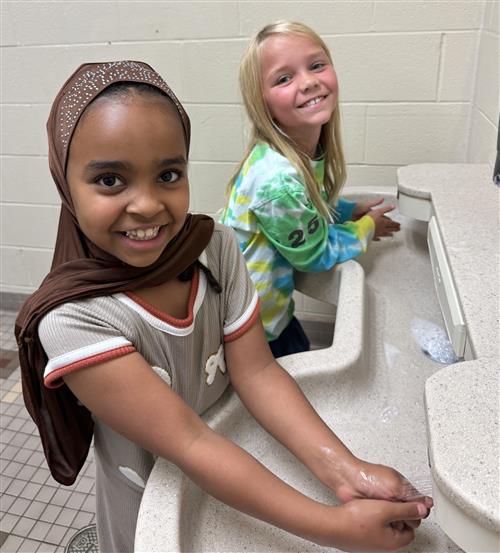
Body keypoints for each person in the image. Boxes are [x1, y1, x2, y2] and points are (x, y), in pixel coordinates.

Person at [15, 61, 430, 553]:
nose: (147, 205)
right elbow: (188, 441)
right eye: (110, 180)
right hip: (153, 501)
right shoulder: (74, 319)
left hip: (239, 465)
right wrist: (335, 528)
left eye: (168, 173)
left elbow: (256, 373)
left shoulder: (214, 248)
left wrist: (346, 471)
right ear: (66, 185)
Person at [221, 21, 401, 357]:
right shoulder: (277, 180)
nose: (308, 82)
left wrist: (346, 211)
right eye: (284, 78)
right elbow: (314, 254)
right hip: (252, 330)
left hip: (272, 312)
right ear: (263, 102)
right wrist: (366, 227)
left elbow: (305, 208)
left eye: (316, 65)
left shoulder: (297, 152)